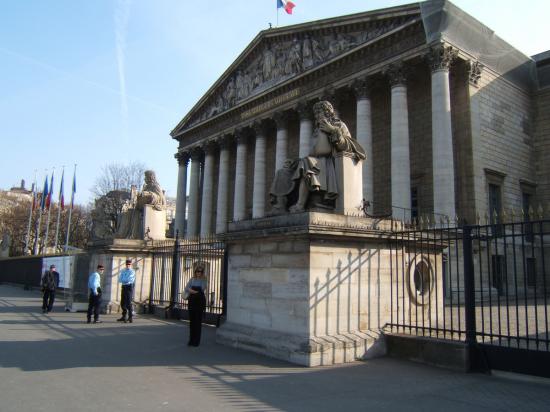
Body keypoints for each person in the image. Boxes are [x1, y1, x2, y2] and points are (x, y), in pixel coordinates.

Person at [270, 100, 366, 213]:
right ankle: (280, 205)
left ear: (328, 112)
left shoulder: (339, 125)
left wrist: (333, 131)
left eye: (319, 113)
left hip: (330, 164)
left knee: (307, 163)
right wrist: (295, 161)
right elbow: (314, 152)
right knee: (283, 171)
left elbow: (348, 146)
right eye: (316, 114)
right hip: (316, 162)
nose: (317, 116)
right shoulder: (316, 130)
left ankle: (300, 205)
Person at [185, 262, 208, 347]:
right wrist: (193, 291)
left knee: (198, 322)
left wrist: (192, 291)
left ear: (202, 272)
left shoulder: (204, 280)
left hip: (199, 302)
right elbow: (186, 288)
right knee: (192, 322)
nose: (199, 273)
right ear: (195, 272)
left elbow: (202, 289)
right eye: (197, 271)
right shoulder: (192, 279)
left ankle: (196, 341)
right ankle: (191, 340)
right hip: (192, 301)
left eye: (200, 271)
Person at [117, 259, 136, 323]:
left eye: (129, 264)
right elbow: (119, 279)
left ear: (131, 264)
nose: (128, 265)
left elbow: (129, 280)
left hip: (129, 287)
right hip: (124, 287)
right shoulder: (123, 270)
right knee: (122, 302)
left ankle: (130, 317)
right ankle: (124, 316)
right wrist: (124, 280)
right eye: (127, 264)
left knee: (128, 303)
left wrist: (124, 279)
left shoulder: (132, 271)